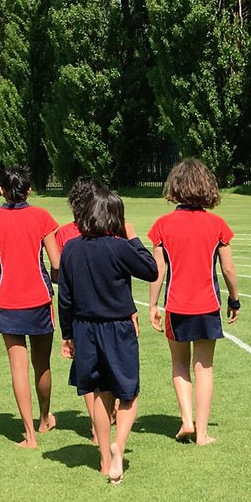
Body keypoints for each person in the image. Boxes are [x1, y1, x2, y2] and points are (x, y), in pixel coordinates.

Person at [58, 188, 158, 483]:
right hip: (117, 328)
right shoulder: (119, 247)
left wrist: (67, 335)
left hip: (84, 328)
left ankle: (103, 459)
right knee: (128, 393)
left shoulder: (71, 248)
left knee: (100, 392)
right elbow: (151, 270)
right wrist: (132, 236)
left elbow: (65, 297)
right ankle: (119, 445)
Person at [147, 159, 240, 445]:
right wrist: (234, 299)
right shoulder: (217, 225)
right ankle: (201, 433)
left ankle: (186, 420)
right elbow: (227, 269)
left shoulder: (162, 226)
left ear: (174, 187)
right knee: (205, 367)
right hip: (208, 305)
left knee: (179, 363)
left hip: (176, 305)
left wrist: (152, 305)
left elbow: (157, 270)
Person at [0, 165, 60, 448]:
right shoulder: (42, 216)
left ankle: (29, 435)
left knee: (18, 367)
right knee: (42, 364)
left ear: (1, 190)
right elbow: (57, 263)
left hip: (7, 302)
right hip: (39, 298)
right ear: (29, 190)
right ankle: (45, 417)